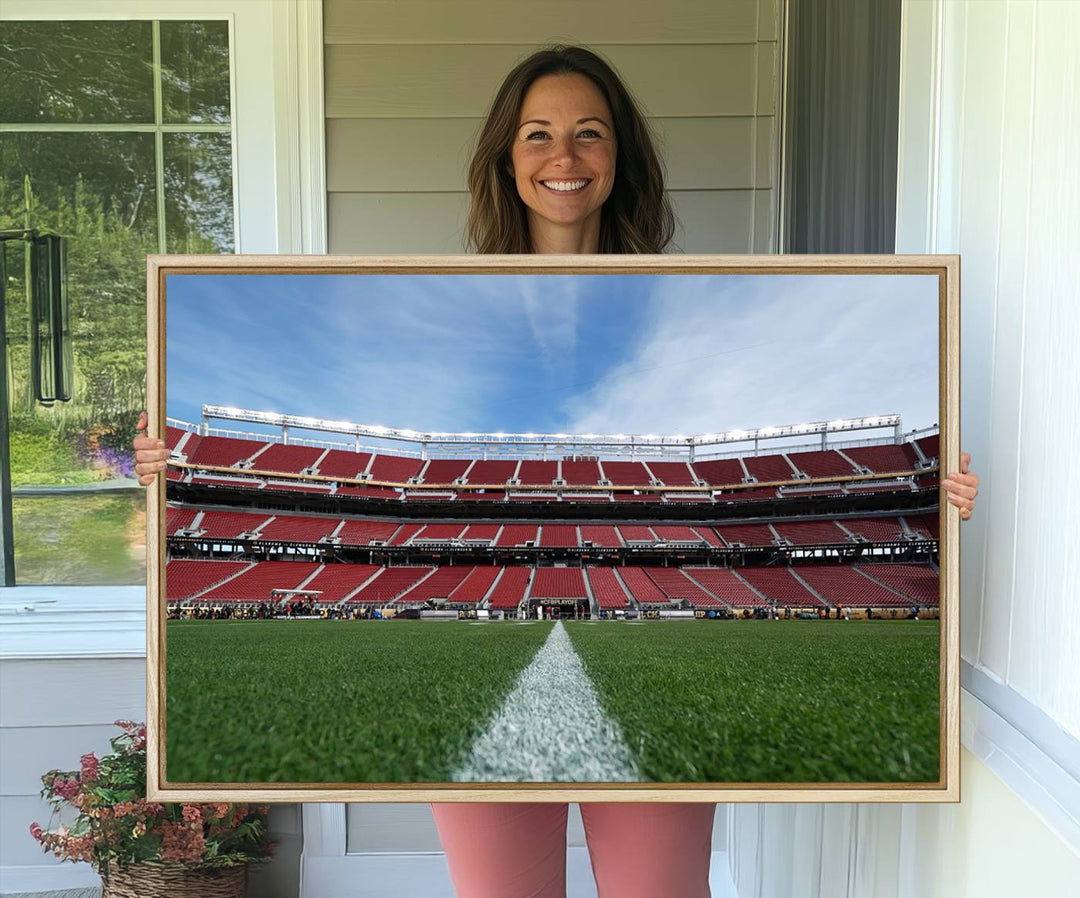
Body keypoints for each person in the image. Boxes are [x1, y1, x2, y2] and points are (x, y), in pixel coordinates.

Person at [134, 44, 980, 898]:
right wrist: (166, 471)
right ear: (507, 158)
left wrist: (932, 502)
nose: (563, 157)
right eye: (537, 134)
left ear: (621, 158)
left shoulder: (683, 301)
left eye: (589, 134)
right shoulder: (446, 302)